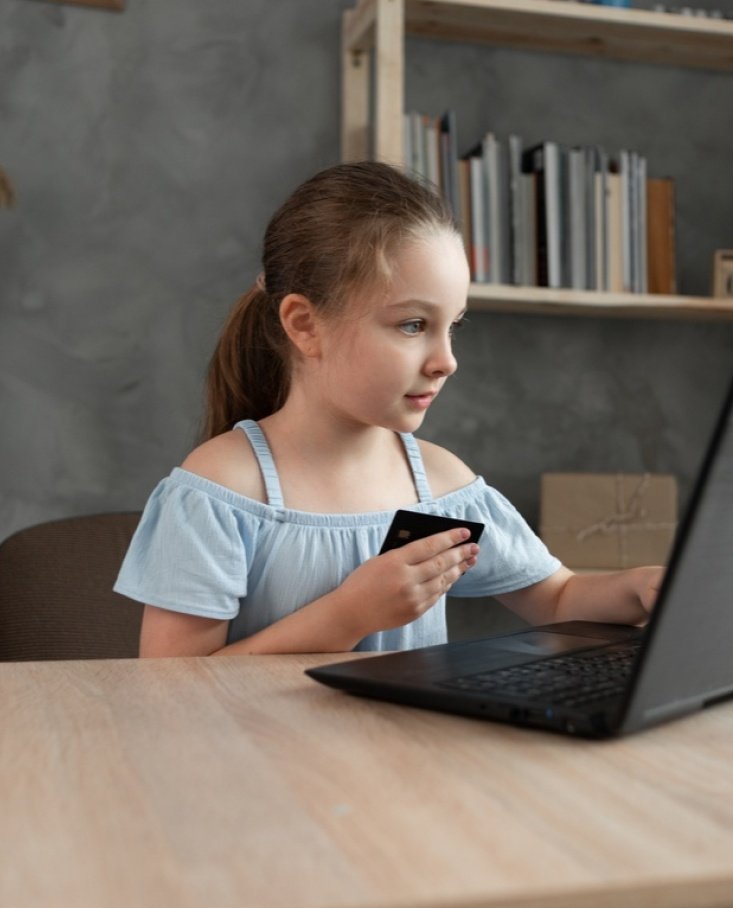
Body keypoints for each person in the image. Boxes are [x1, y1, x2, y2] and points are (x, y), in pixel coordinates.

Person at [115, 161, 663, 657]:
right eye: (412, 325)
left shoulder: (444, 487)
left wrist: (639, 586)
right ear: (304, 324)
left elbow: (560, 597)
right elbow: (172, 691)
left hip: (403, 765)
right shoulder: (221, 489)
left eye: (454, 326)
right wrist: (350, 614)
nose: (446, 360)